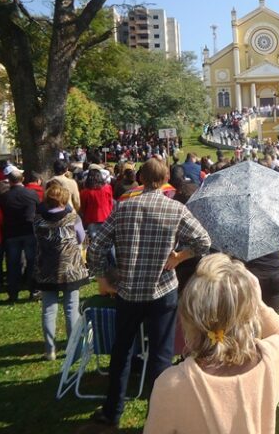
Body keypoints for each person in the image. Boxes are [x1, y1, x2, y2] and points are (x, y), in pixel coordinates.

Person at [87, 158, 212, 428]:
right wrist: (180, 257)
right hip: (162, 291)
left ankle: (112, 411)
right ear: (166, 179)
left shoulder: (123, 208)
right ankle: (159, 417)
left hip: (129, 290)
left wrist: (101, 278)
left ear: (141, 178)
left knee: (122, 350)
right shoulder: (175, 209)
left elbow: (96, 246)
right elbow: (204, 240)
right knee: (160, 355)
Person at [143, 254, 279, 434]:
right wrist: (258, 303)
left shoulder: (171, 385)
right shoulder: (271, 362)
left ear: (187, 317)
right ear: (250, 313)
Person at [33, 183, 88, 360]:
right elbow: (81, 238)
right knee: (71, 308)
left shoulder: (38, 220)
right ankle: (74, 347)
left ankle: (50, 349)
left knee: (49, 309)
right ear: (64, 200)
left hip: (46, 268)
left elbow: (36, 238)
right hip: (70, 268)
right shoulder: (73, 218)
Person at [0, 170, 40, 301]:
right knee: (31, 261)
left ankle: (13, 292)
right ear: (22, 179)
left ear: (9, 181)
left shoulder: (4, 197)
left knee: (13, 263)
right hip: (28, 231)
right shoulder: (31, 193)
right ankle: (33, 289)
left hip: (11, 233)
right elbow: (38, 209)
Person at [79, 167, 114, 237]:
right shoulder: (107, 188)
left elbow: (83, 207)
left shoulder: (85, 192)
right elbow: (110, 203)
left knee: (94, 240)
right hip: (106, 216)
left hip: (91, 218)